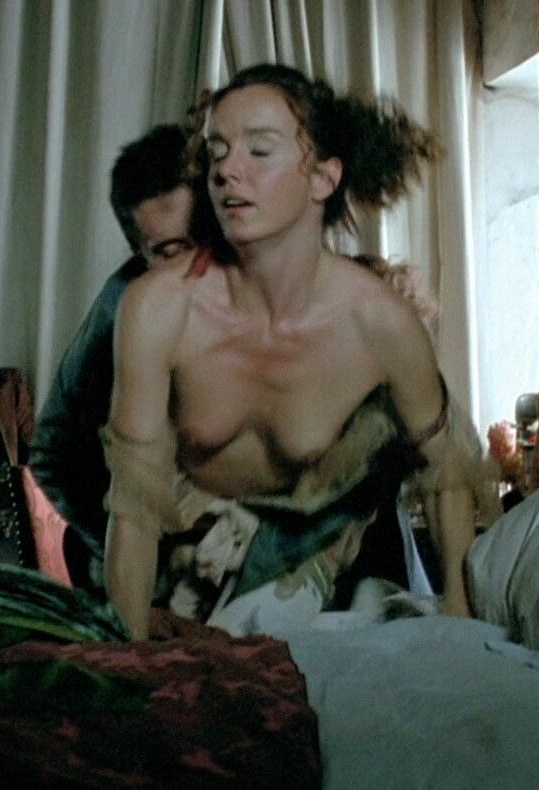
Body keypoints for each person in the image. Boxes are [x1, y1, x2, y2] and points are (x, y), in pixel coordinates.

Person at [103, 65, 497, 640]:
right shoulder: (156, 309)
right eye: (217, 152)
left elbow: (447, 471)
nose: (227, 170)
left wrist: (461, 622)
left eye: (259, 150)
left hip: (318, 562)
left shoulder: (379, 321)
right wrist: (125, 660)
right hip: (186, 574)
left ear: (322, 178)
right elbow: (133, 512)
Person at [31, 124, 201, 592]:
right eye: (171, 252)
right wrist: (137, 560)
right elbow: (51, 455)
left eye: (204, 239)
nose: (198, 265)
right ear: (140, 254)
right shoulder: (120, 310)